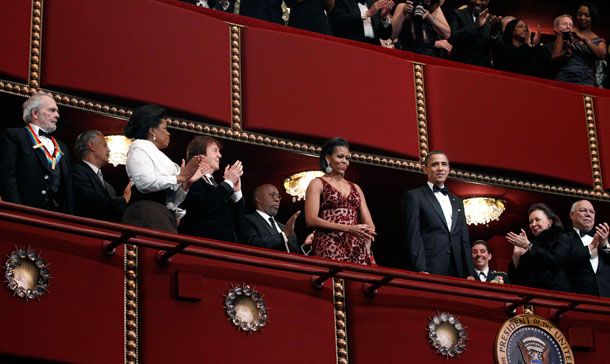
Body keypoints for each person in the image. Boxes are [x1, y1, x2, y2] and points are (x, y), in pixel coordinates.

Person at [122, 104, 206, 233]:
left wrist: (185, 184)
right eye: (165, 128)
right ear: (152, 130)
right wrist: (179, 177)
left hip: (162, 216)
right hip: (146, 215)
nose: (168, 133)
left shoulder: (158, 155)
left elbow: (171, 199)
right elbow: (145, 183)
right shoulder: (139, 148)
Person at [401, 151, 474, 278]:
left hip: (458, 271)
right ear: (425, 169)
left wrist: (470, 273)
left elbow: (464, 240)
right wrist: (420, 268)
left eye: (444, 164)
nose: (440, 168)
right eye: (435, 164)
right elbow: (413, 236)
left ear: (448, 168)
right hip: (430, 267)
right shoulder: (414, 196)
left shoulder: (458, 202)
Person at [305, 137, 376, 264]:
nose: (345, 162)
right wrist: (348, 228)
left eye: (347, 158)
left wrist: (367, 240)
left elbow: (369, 224)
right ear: (328, 158)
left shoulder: (356, 188)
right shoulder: (317, 183)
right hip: (329, 245)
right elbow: (311, 220)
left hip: (356, 249)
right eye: (340, 157)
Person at [0, 92, 73, 214]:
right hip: (24, 213)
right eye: (52, 110)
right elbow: (7, 178)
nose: (57, 115)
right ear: (35, 113)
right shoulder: (14, 136)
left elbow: (68, 189)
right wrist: (16, 210)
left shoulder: (62, 147)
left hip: (57, 216)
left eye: (57, 111)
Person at [179, 136, 245, 243]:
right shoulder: (191, 179)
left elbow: (238, 222)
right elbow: (202, 208)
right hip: (204, 246)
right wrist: (228, 183)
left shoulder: (216, 185)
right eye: (215, 150)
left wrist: (236, 192)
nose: (220, 155)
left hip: (226, 247)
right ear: (201, 155)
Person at [506, 203, 571, 292]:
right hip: (532, 297)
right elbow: (515, 280)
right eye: (531, 222)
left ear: (550, 222)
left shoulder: (561, 238)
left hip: (556, 294)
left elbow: (556, 260)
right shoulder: (529, 243)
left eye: (537, 220)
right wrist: (516, 256)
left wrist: (529, 246)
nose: (533, 224)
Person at [72, 130, 131, 222]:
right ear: (92, 146)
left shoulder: (109, 187)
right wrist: (125, 198)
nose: (109, 149)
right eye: (105, 145)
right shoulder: (76, 172)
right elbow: (91, 205)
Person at [239, 184, 313, 254]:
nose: (277, 199)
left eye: (278, 196)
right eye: (272, 195)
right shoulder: (247, 220)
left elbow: (295, 256)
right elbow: (252, 245)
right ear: (258, 199)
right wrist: (284, 235)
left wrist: (305, 247)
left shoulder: (286, 228)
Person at [563, 200, 610, 298]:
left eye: (592, 212)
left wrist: (605, 245)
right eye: (583, 210)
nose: (588, 214)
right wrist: (592, 245)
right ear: (572, 215)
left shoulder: (605, 239)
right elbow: (566, 262)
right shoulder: (564, 238)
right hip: (578, 298)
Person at [552, 2, 606, 86]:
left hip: (586, 81)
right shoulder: (566, 33)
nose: (582, 18)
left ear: (592, 17)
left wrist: (584, 39)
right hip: (565, 78)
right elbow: (554, 57)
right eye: (579, 14)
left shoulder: (599, 40)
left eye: (587, 15)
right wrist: (565, 53)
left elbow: (602, 55)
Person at [447, 0, 502, 68]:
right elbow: (452, 36)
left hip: (482, 68)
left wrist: (494, 34)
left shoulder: (493, 20)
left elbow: (498, 50)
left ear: (488, 2)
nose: (478, 2)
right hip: (459, 65)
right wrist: (476, 27)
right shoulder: (457, 13)